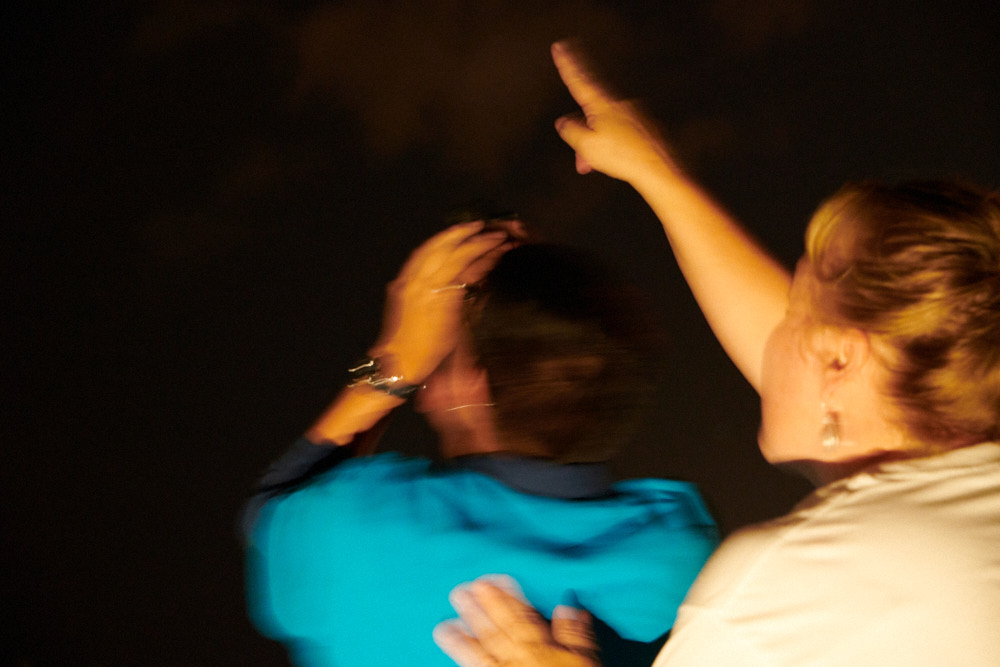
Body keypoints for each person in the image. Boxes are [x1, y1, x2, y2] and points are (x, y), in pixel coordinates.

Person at [434, 42, 1000, 666]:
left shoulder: (784, 594)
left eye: (795, 310)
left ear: (840, 363)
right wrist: (659, 176)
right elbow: (845, 381)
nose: (774, 327)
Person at [243, 218, 719, 666]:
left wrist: (394, 363)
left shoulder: (356, 527)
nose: (427, 393)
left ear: (474, 385)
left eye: (444, 362)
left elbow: (272, 515)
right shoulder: (687, 554)